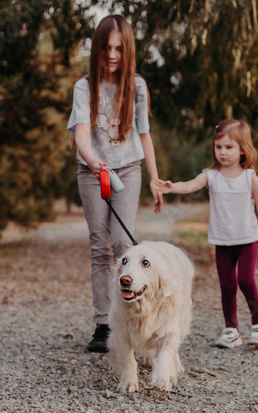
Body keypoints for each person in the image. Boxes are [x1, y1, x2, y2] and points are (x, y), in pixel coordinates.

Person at [67, 14, 163, 352]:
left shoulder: (136, 86)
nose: (112, 55)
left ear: (128, 51)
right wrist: (94, 163)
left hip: (127, 170)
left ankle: (129, 320)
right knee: (99, 247)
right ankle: (102, 326)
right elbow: (81, 134)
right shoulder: (84, 86)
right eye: (107, 48)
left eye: (119, 49)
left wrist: (154, 178)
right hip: (92, 172)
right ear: (97, 48)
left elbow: (144, 136)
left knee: (124, 242)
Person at [155, 119, 258, 348]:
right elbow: (190, 185)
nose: (223, 152)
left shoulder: (250, 177)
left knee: (246, 281)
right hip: (223, 242)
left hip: (248, 240)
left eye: (229, 147)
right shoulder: (211, 175)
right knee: (227, 285)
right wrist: (172, 187)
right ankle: (231, 330)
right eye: (218, 147)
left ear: (242, 149)